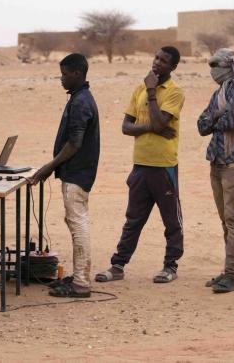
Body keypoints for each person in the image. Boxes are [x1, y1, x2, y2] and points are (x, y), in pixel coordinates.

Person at [95, 46, 185, 284]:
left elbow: (159, 120)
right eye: (156, 58)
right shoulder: (139, 90)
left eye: (164, 61)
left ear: (173, 67)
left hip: (164, 165)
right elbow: (127, 127)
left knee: (171, 220)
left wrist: (153, 92)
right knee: (133, 219)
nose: (157, 63)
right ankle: (118, 265)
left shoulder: (175, 92)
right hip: (140, 165)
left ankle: (170, 266)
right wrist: (150, 127)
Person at [28, 53, 100, 298]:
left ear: (78, 74)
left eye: (65, 74)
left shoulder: (81, 102)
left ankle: (81, 283)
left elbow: (74, 143)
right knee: (74, 222)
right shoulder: (79, 97)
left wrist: (49, 167)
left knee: (78, 223)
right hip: (75, 171)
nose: (62, 78)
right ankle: (79, 275)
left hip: (78, 172)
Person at [197, 48, 234, 293]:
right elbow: (201, 125)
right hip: (217, 159)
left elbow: (231, 121)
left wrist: (215, 117)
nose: (212, 69)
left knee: (233, 219)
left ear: (229, 64)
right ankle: (232, 269)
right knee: (226, 219)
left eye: (216, 64)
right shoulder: (219, 92)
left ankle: (233, 274)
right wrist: (218, 116)